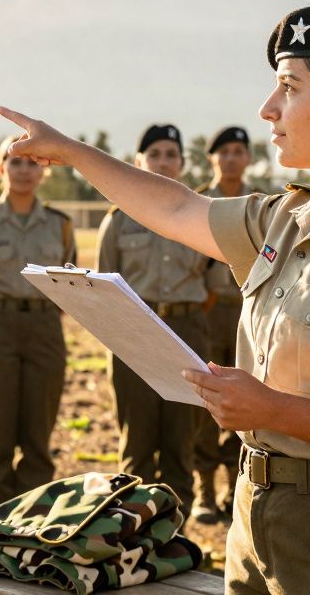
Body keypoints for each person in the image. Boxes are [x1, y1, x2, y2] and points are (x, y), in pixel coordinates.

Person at [0, 2, 310, 593]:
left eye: (289, 88)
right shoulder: (287, 219)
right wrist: (69, 150)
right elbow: (175, 208)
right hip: (256, 515)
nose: (267, 108)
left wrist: (269, 409)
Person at [95, 123, 210, 517]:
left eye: (171, 155)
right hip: (134, 335)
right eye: (155, 154)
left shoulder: (201, 216)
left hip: (187, 331)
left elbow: (212, 283)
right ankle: (134, 537)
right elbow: (104, 287)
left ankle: (176, 535)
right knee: (139, 441)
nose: (163, 162)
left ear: (181, 163)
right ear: (138, 161)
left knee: (181, 440)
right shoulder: (117, 220)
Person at [0, 135, 75, 507]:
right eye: (14, 161)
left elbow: (69, 282)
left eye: (32, 162)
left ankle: (35, 520)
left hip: (44, 329)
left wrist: (38, 316)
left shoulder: (60, 225)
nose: (23, 170)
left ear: (44, 171)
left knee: (38, 437)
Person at [192, 126, 261, 523]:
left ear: (248, 158)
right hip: (207, 312)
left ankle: (238, 486)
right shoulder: (197, 202)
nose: (232, 158)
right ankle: (204, 490)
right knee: (206, 397)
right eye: (225, 152)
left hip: (250, 309)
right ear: (211, 158)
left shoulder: (265, 202)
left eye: (239, 151)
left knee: (247, 396)